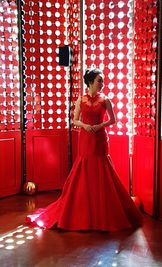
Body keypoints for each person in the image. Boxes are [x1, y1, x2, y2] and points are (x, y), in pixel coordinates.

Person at [26, 68, 143, 231]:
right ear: (90, 82)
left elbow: (113, 120)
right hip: (86, 138)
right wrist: (85, 126)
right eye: (99, 80)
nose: (102, 83)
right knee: (84, 168)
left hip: (100, 138)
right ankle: (81, 211)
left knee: (102, 169)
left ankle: (102, 212)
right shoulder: (81, 100)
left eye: (102, 80)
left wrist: (100, 126)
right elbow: (74, 120)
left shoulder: (105, 100)